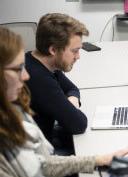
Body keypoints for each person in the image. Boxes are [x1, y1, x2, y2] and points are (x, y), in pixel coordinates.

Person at [0, 27, 128, 177]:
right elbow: (77, 124)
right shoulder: (38, 81)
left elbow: (43, 164)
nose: (25, 76)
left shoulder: (12, 112)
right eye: (18, 68)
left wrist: (99, 160)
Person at [25, 13, 88, 154]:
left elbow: (72, 88)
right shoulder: (39, 79)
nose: (78, 57)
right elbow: (79, 124)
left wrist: (72, 99)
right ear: (53, 50)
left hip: (45, 139)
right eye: (74, 51)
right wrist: (71, 108)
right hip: (41, 153)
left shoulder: (39, 61)